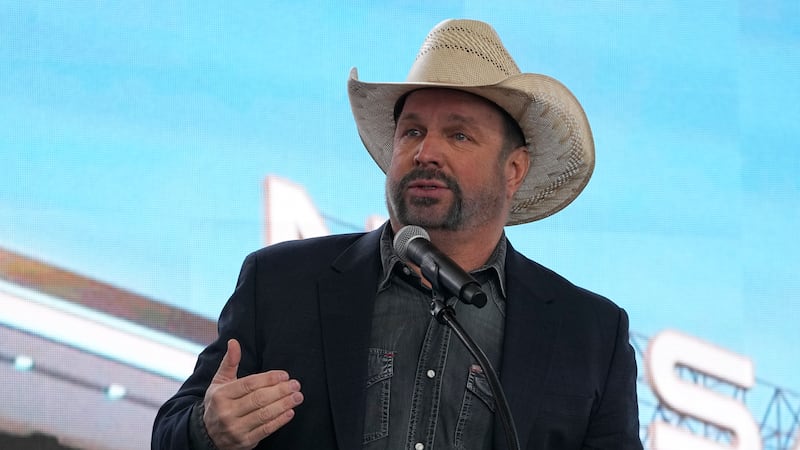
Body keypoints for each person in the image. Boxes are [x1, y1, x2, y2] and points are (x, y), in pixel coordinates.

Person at [152, 18, 642, 450]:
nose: (426, 151)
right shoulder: (280, 283)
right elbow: (169, 433)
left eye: (459, 134)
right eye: (411, 131)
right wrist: (207, 431)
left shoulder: (590, 335)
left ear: (513, 170)